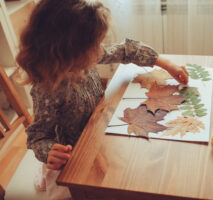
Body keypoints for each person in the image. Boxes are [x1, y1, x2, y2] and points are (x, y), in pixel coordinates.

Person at [16, 0, 189, 199]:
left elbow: (126, 49)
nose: (101, 51)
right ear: (69, 50)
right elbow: (38, 137)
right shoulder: (47, 89)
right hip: (76, 158)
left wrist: (166, 64)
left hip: (101, 133)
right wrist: (49, 152)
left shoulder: (82, 57)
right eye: (95, 45)